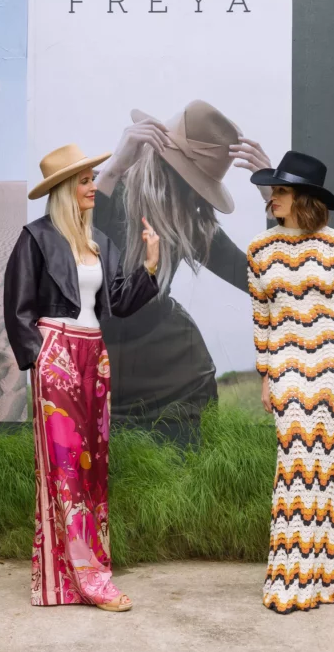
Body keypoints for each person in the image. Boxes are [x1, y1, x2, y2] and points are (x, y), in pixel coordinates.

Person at [4, 143, 160, 611]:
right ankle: (91, 580)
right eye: (86, 180)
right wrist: (42, 356)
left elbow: (120, 302)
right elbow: (17, 309)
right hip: (58, 353)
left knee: (92, 467)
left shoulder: (100, 245)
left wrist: (150, 264)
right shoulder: (35, 238)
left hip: (96, 355)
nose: (94, 187)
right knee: (65, 469)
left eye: (93, 179)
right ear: (66, 189)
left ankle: (68, 577)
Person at [93, 99, 271, 424]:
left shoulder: (191, 219)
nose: (198, 194)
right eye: (195, 181)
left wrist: (274, 198)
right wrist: (112, 169)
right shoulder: (102, 188)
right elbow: (64, 250)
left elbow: (262, 283)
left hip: (175, 373)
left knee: (185, 466)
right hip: (95, 365)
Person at [247, 151, 334, 613]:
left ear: (304, 197)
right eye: (273, 190)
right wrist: (265, 376)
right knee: (295, 465)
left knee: (327, 470)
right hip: (287, 370)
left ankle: (324, 575)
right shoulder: (260, 250)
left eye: (280, 190)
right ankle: (290, 577)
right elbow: (262, 318)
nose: (272, 197)